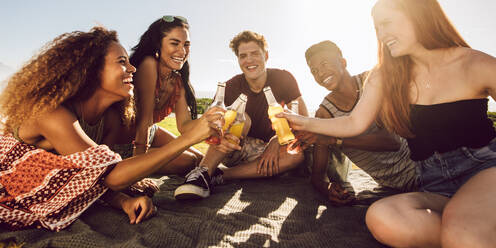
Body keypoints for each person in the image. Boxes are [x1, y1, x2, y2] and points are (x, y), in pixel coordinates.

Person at [279, 0, 496, 247]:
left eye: (386, 24)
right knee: (382, 218)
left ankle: (467, 229)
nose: (381, 35)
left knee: (463, 230)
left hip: (483, 169)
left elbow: (388, 141)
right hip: (433, 182)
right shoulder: (384, 75)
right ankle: (472, 228)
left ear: (418, 14)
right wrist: (300, 121)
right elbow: (353, 123)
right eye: (376, 29)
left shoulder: (475, 63)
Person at [0, 27, 221, 231]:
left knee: (190, 160)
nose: (132, 68)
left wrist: (124, 201)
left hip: (62, 180)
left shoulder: (109, 118)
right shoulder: (50, 113)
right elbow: (113, 176)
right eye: (122, 62)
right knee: (185, 159)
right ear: (91, 70)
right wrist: (189, 138)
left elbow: (99, 176)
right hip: (9, 187)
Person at [174, 30, 308, 200]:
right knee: (241, 117)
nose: (249, 60)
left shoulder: (284, 78)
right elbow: (214, 127)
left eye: (255, 54)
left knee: (295, 156)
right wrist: (219, 130)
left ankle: (220, 175)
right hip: (236, 146)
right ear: (238, 60)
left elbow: (303, 118)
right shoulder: (230, 87)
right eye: (243, 56)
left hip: (272, 150)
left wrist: (276, 140)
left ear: (266, 56)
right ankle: (202, 173)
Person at [302, 40, 417, 205]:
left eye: (325, 64)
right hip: (391, 187)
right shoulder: (324, 113)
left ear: (343, 62)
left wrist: (337, 140)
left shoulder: (371, 83)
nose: (320, 73)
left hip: (420, 170)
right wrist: (327, 188)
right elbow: (318, 175)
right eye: (314, 71)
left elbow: (391, 142)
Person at [110, 16, 203, 175]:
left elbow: (185, 126)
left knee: (201, 159)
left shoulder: (178, 80)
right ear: (157, 44)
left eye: (186, 45)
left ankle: (219, 178)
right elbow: (144, 121)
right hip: (126, 142)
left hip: (151, 131)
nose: (182, 51)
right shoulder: (148, 64)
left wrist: (210, 122)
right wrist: (137, 171)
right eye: (174, 43)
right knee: (189, 161)